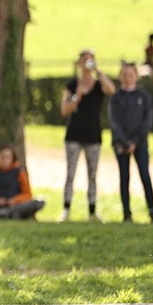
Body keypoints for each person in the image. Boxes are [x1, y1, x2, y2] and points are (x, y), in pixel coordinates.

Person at [59, 49, 116, 222]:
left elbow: (111, 90)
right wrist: (77, 97)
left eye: (90, 60)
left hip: (93, 135)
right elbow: (64, 110)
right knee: (71, 173)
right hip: (74, 135)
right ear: (79, 63)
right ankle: (66, 210)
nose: (87, 63)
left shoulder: (99, 86)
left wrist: (99, 73)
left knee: (92, 174)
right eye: (84, 60)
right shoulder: (71, 85)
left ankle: (92, 211)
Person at [109, 61, 153, 223]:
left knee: (145, 175)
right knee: (125, 177)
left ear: (136, 76)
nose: (128, 78)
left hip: (140, 143)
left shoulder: (143, 97)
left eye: (131, 74)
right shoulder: (116, 98)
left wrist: (136, 142)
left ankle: (152, 212)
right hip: (121, 144)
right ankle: (127, 214)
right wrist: (124, 142)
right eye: (124, 75)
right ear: (120, 76)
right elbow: (114, 122)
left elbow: (147, 121)